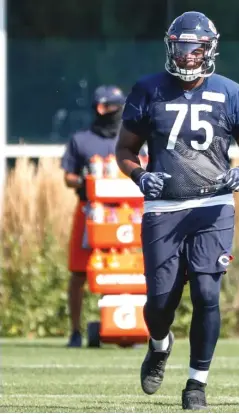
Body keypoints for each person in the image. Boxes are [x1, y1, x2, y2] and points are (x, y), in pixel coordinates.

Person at [115, 11, 239, 410]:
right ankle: (159, 343)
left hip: (212, 206)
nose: (187, 56)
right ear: (171, 48)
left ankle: (196, 383)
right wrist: (137, 176)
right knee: (160, 304)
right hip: (163, 209)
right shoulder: (148, 90)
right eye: (181, 48)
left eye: (195, 48)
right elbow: (125, 149)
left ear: (209, 50)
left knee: (206, 292)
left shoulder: (230, 92)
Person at [61, 85, 126, 347]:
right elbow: (68, 177)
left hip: (126, 213)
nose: (104, 111)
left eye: (110, 106)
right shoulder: (82, 139)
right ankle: (75, 331)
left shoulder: (132, 137)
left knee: (130, 271)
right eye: (100, 106)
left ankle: (128, 326)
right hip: (90, 211)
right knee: (78, 272)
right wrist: (87, 181)